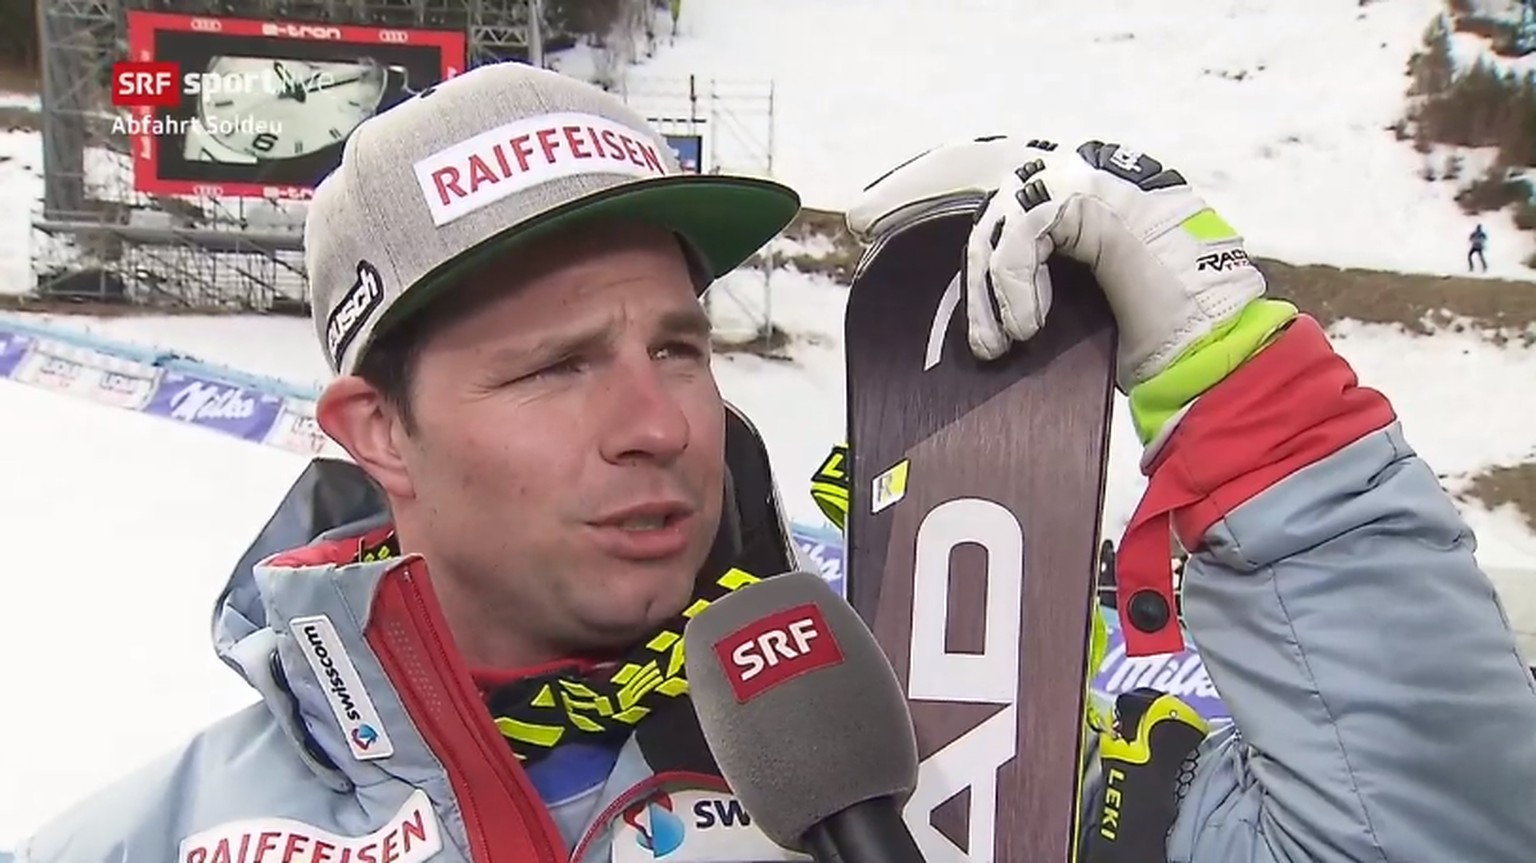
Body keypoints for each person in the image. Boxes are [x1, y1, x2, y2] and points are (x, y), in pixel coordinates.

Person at [12, 62, 1535, 863]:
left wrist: (1245, 387)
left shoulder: (958, 728)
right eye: (555, 366)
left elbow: (1440, 839)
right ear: (378, 434)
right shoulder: (181, 838)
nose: (658, 421)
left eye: (677, 347)